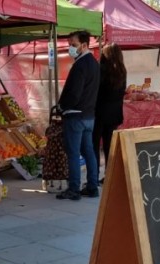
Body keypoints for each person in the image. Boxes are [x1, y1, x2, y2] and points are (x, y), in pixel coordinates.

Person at [57, 30, 100, 201]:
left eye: (73, 45)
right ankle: (92, 186)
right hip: (89, 116)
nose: (70, 48)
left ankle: (74, 189)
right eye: (69, 45)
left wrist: (62, 106)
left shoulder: (80, 65)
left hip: (75, 116)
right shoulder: (94, 64)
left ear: (84, 45)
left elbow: (74, 93)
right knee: (88, 151)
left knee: (73, 152)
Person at [92, 43, 127, 174]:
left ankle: (94, 174)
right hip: (115, 113)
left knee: (94, 144)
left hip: (99, 112)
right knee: (109, 146)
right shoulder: (122, 70)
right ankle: (109, 174)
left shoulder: (101, 69)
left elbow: (96, 91)